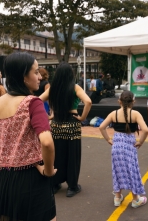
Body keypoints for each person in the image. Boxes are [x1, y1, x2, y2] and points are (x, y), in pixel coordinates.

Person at [0, 52, 57, 221]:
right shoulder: (33, 102)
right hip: (31, 178)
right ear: (24, 76)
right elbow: (46, 142)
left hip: (4, 180)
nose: (39, 77)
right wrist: (49, 170)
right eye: (36, 72)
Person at [40, 62, 92, 197]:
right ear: (71, 75)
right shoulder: (75, 87)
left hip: (56, 124)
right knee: (72, 155)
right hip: (72, 124)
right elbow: (88, 102)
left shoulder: (53, 89)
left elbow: (37, 101)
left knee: (57, 154)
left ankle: (55, 183)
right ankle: (72, 186)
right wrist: (82, 117)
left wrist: (48, 115)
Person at [99, 91, 148, 208]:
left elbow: (102, 127)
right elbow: (145, 130)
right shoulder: (135, 114)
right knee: (132, 170)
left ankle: (117, 197)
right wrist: (140, 142)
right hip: (129, 146)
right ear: (133, 101)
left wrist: (108, 140)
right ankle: (136, 199)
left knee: (117, 171)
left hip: (116, 145)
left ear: (119, 101)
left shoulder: (114, 113)